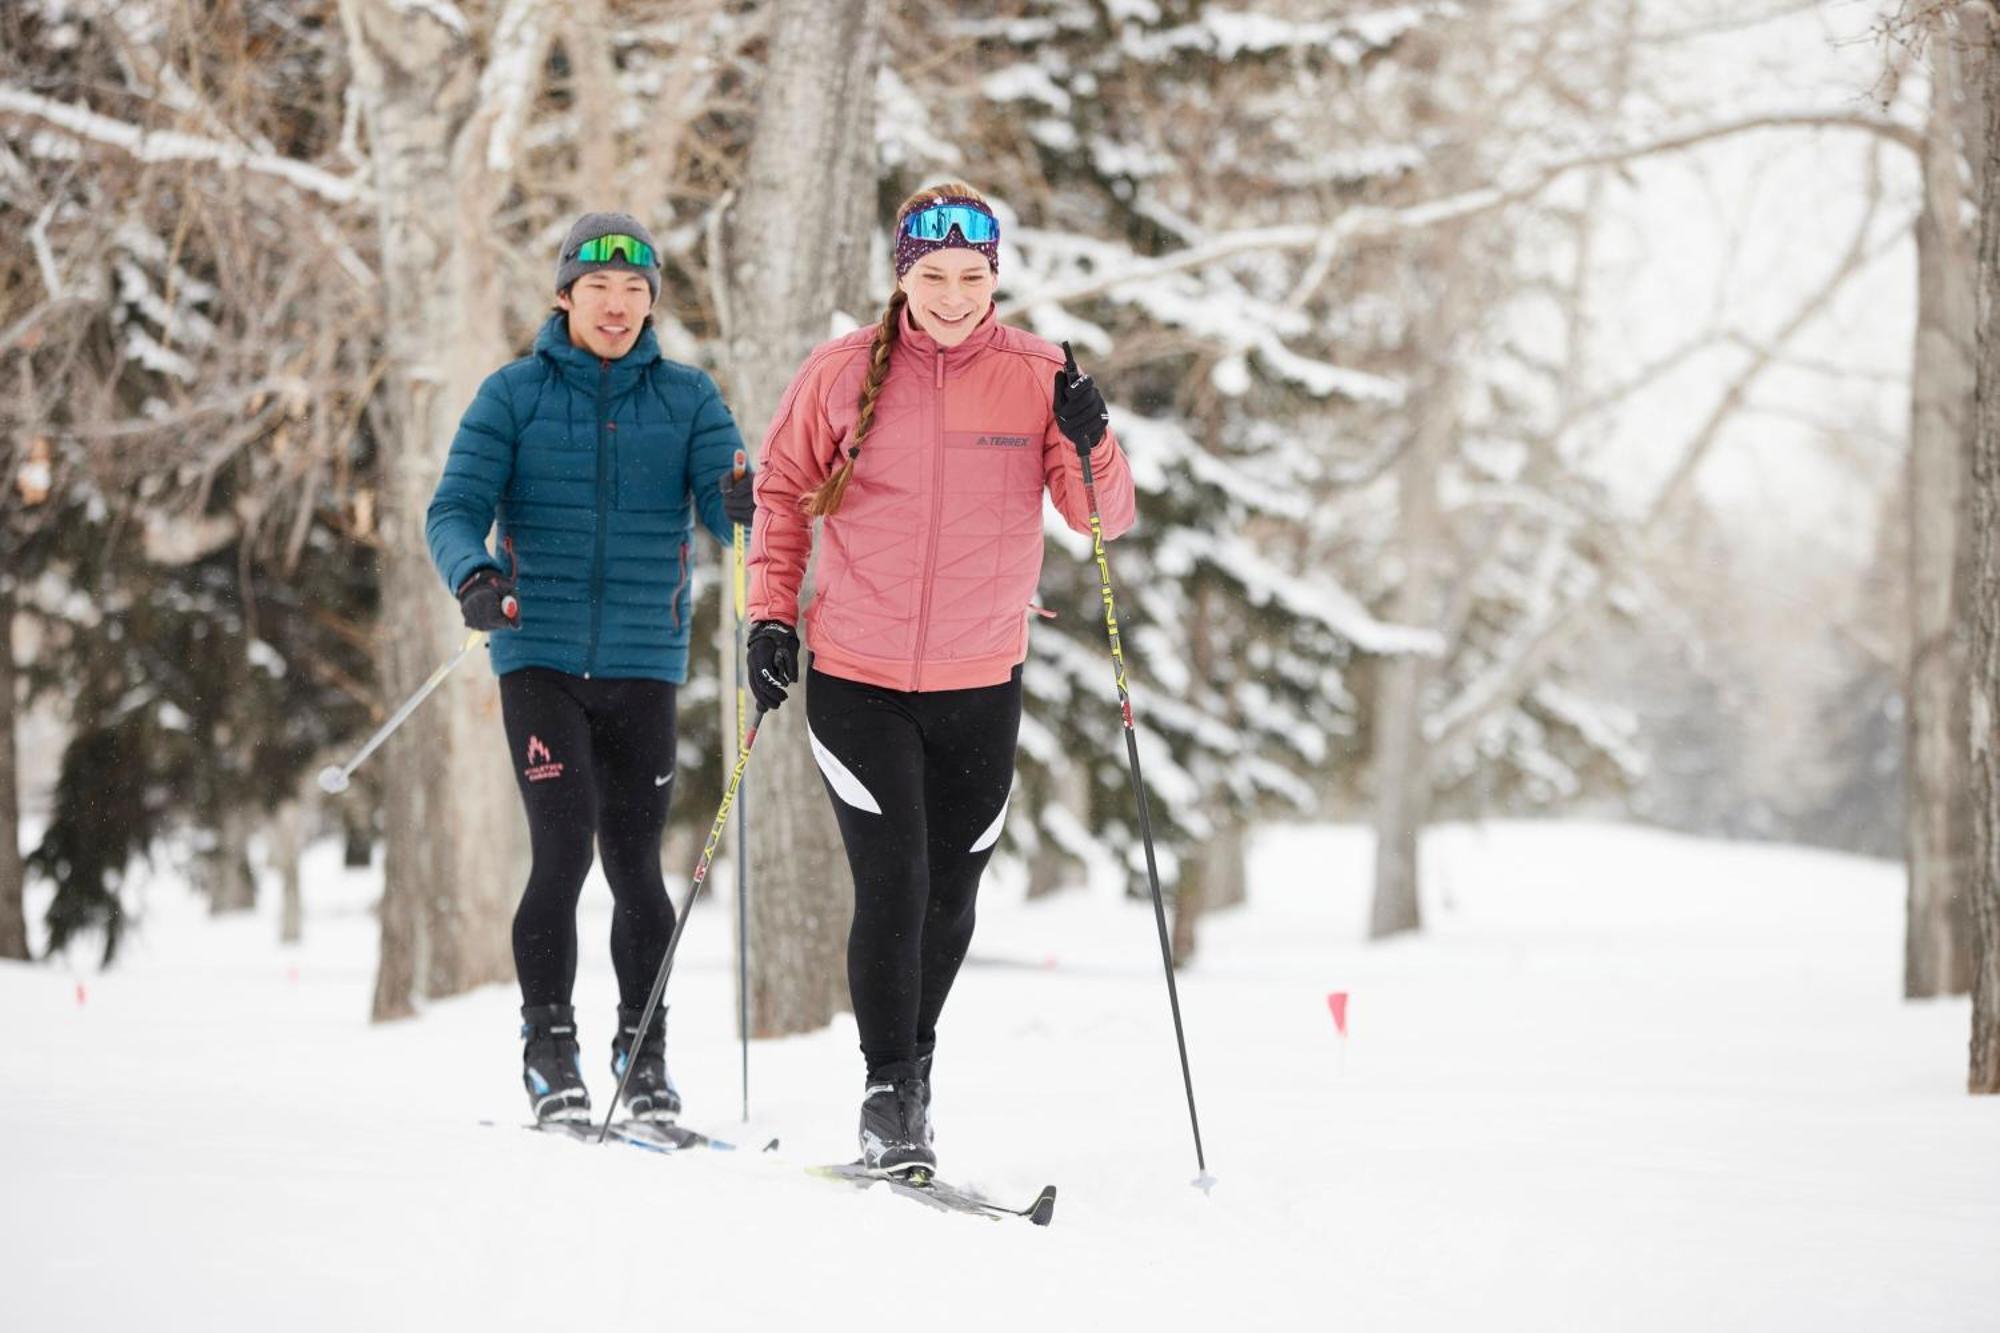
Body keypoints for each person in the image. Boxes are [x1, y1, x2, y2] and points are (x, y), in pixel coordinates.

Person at [743, 182, 1136, 1174]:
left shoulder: (1039, 375)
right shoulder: (837, 374)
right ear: (902, 277)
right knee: (895, 879)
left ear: (993, 276)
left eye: (971, 276)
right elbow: (782, 496)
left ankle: (913, 1075)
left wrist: (1089, 433)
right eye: (932, 276)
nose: (953, 295)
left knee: (951, 896)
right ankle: (885, 1091)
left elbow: (1099, 519)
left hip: (978, 676)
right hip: (856, 673)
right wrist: (767, 615)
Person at [425, 212, 756, 1125]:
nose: (617, 307)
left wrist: (741, 502)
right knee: (564, 848)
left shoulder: (688, 397)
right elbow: (453, 508)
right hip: (538, 652)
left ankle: (641, 1055)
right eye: (600, 289)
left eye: (636, 292)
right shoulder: (514, 394)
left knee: (638, 865)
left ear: (652, 304)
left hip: (645, 659)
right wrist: (476, 574)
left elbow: (730, 516)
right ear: (564, 294)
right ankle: (549, 1047)